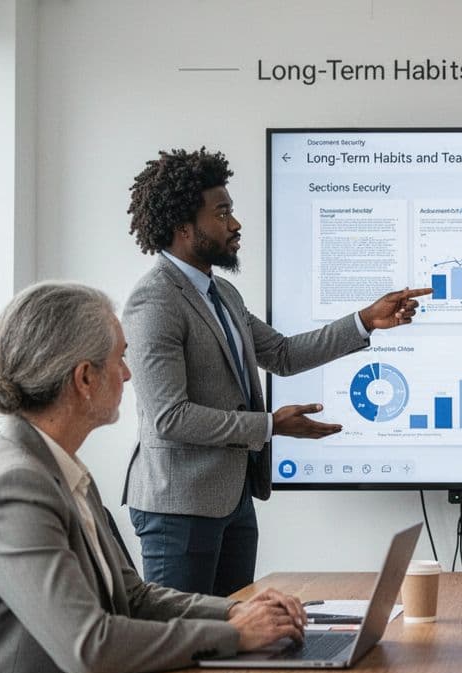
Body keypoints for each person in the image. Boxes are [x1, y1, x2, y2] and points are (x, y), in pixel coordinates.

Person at [0, 283, 308, 673]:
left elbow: (133, 597)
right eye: (120, 359)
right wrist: (234, 636)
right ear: (85, 378)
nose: (129, 375)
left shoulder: (56, 468)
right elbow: (90, 643)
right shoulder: (15, 485)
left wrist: (234, 612)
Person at [123, 147, 431, 595]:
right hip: (179, 508)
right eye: (222, 213)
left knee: (235, 639)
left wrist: (365, 320)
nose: (235, 224)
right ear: (183, 228)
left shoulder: (222, 293)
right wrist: (270, 425)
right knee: (184, 649)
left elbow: (283, 354)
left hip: (233, 500)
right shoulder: (154, 301)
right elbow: (170, 418)